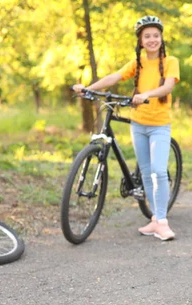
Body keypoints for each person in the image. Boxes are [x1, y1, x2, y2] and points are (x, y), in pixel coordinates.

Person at [72, 15, 179, 241]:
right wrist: (88, 89)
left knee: (159, 171)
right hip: (138, 124)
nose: (152, 40)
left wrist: (146, 95)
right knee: (146, 172)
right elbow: (115, 77)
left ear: (161, 38)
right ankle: (154, 220)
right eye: (147, 36)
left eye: (155, 36)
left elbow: (168, 85)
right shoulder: (137, 64)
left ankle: (163, 222)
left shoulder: (171, 61)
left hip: (159, 125)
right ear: (140, 40)